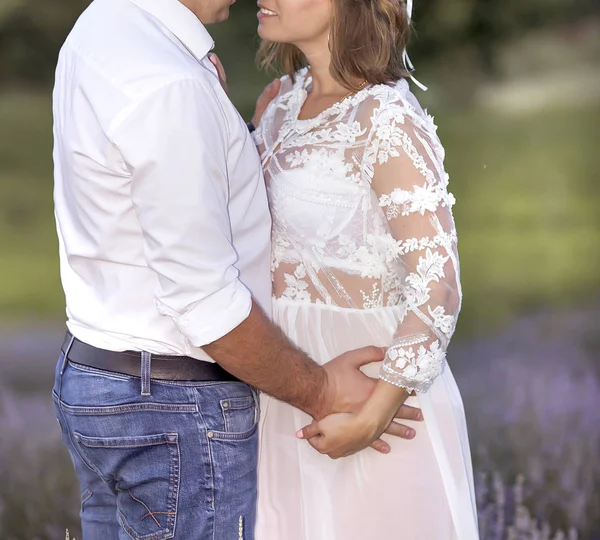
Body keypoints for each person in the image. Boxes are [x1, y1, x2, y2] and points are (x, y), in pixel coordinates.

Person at [50, 0, 422, 538]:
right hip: (172, 411)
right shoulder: (173, 86)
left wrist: (235, 130)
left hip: (97, 375)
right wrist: (322, 392)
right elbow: (203, 301)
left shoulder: (106, 22)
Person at [250, 0, 480, 537]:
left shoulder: (386, 118)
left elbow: (439, 285)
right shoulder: (280, 106)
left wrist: (375, 413)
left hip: (373, 401)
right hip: (283, 385)